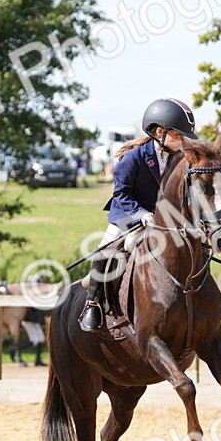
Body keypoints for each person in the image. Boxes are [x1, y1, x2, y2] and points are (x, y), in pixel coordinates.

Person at [80, 97, 200, 331]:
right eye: (179, 135)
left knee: (197, 246)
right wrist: (142, 214)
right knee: (105, 252)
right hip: (129, 214)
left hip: (165, 220)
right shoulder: (133, 158)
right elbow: (121, 195)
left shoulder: (179, 159)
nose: (183, 141)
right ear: (159, 132)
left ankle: (202, 299)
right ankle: (92, 303)